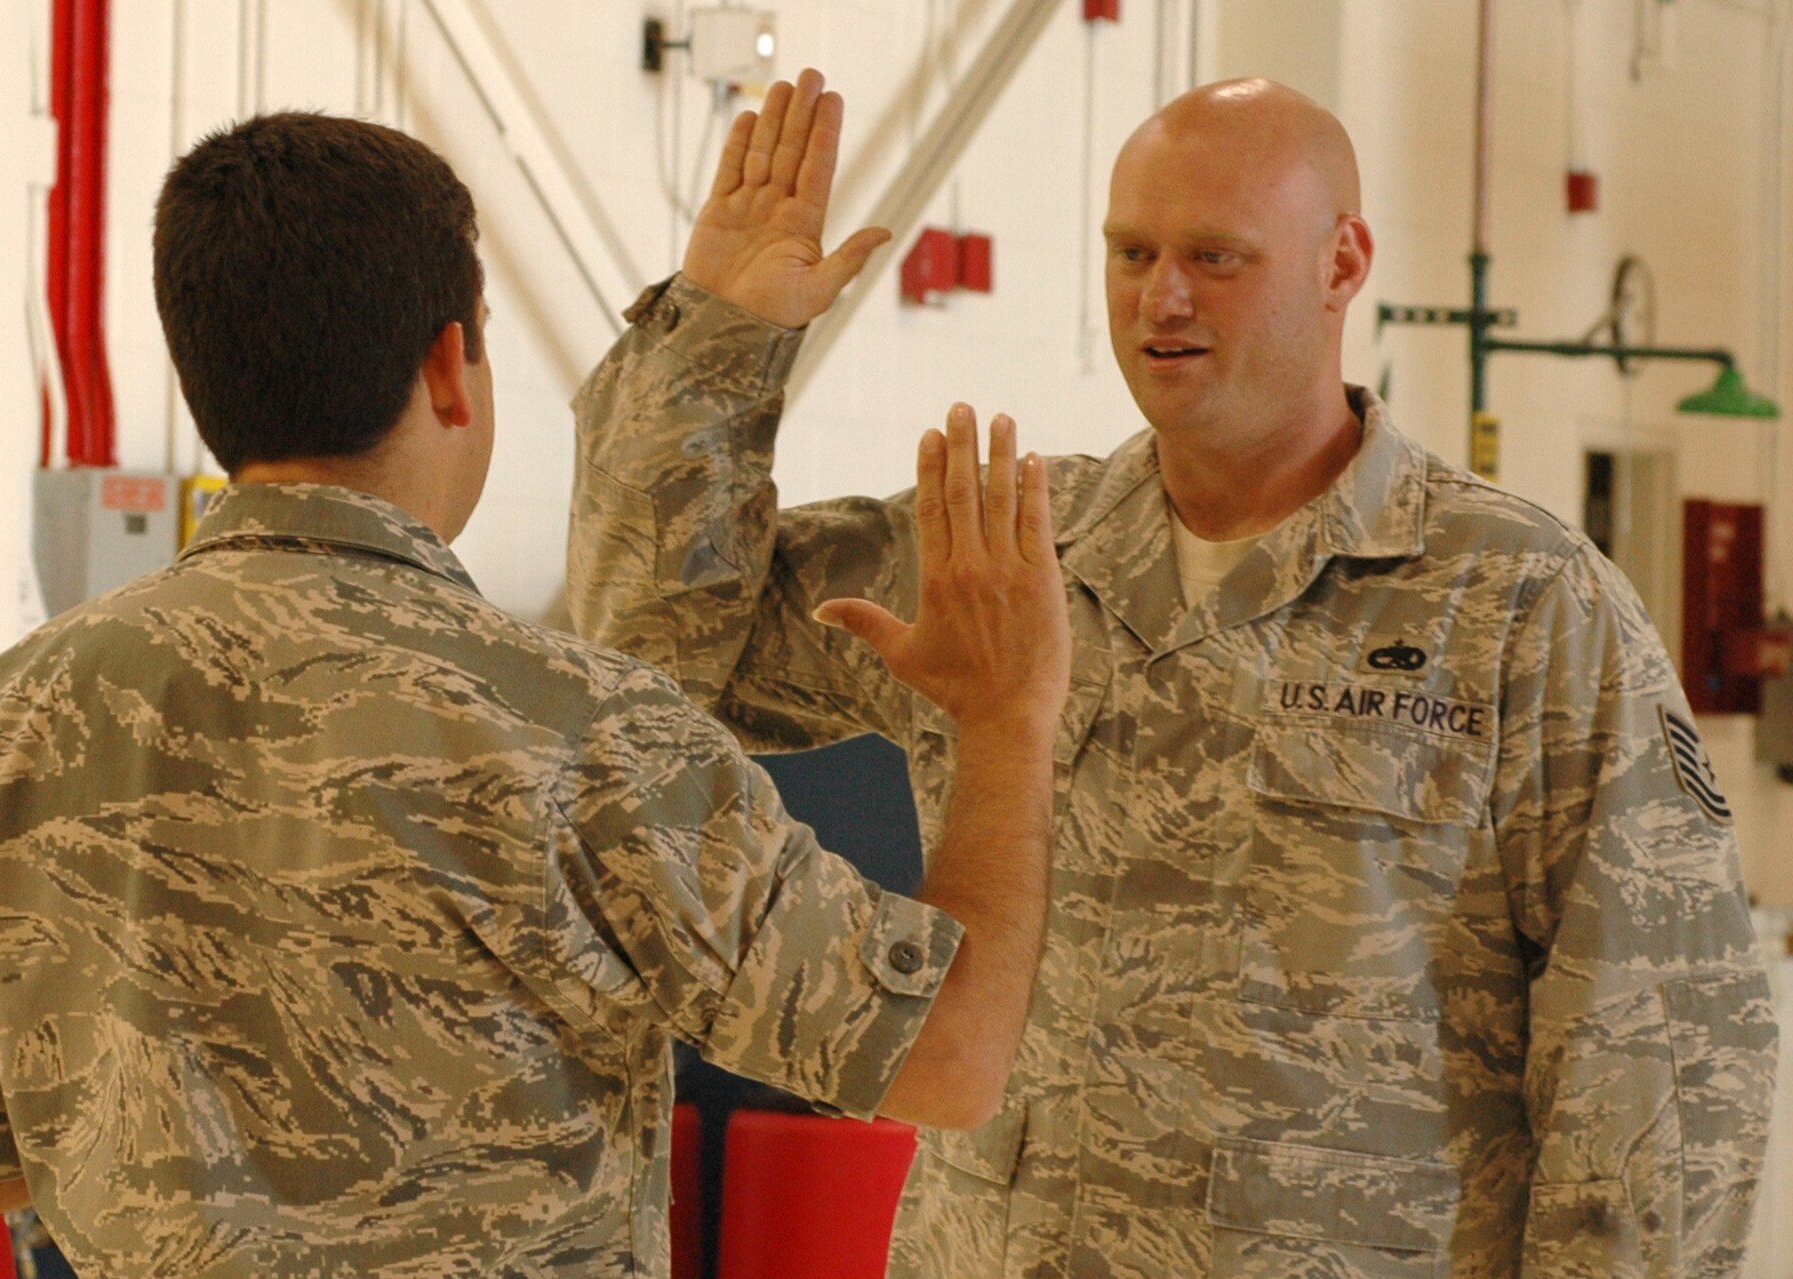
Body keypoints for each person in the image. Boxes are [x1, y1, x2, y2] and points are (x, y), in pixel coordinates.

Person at [568, 70, 1777, 1277]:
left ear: (1340, 262)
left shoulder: (1515, 603)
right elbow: (654, 656)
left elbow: (1657, 1063)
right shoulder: (1007, 553)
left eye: (1215, 256)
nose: (1161, 298)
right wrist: (717, 345)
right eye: (1130, 251)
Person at [0, 111, 1074, 1276]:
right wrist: (1009, 719)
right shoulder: (586, 731)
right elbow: (948, 1059)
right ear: (451, 363)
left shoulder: (1, 730)